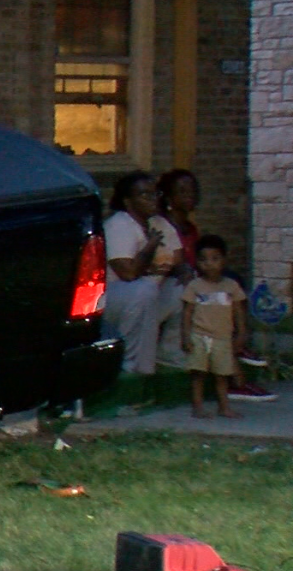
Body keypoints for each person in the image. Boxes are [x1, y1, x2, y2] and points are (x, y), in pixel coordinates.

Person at [157, 168, 278, 402]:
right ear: (169, 197)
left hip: (198, 283)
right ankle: (235, 377)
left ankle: (238, 347)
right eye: (182, 192)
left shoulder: (190, 228)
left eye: (193, 191)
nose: (189, 196)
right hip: (173, 290)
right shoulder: (163, 226)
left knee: (232, 284)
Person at [102, 171, 183, 375]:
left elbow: (179, 259)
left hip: (147, 297)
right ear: (128, 202)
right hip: (112, 301)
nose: (153, 199)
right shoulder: (119, 225)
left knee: (184, 289)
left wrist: (187, 271)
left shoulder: (159, 223)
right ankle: (126, 364)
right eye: (144, 195)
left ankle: (169, 354)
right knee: (144, 290)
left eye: (155, 194)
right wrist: (151, 246)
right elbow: (128, 274)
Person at [181, 234, 248, 419]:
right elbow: (187, 313)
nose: (209, 264)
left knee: (222, 375)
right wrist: (186, 336)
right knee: (198, 374)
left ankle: (224, 407)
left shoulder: (231, 286)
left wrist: (241, 333)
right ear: (197, 262)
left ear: (224, 260)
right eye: (203, 259)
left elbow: (238, 312)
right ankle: (198, 407)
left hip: (223, 337)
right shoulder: (195, 286)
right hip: (199, 336)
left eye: (215, 258)